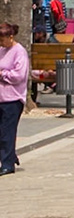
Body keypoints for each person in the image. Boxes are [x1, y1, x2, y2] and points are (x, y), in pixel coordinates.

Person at [0, 23, 25, 174]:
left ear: (11, 37)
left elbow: (19, 75)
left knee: (7, 132)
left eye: (3, 40)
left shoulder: (19, 51)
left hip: (12, 98)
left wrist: (3, 74)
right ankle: (10, 155)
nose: (1, 43)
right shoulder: (1, 50)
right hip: (1, 97)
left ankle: (7, 164)